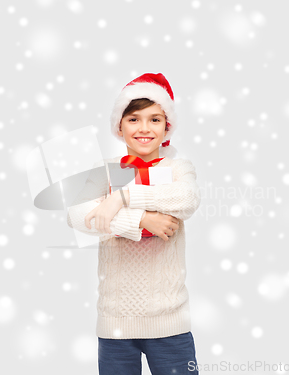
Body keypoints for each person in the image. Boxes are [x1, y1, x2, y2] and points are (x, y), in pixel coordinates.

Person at [67, 73, 201, 374]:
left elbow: (187, 199)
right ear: (119, 125)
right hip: (115, 323)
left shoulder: (178, 168)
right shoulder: (103, 171)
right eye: (134, 119)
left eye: (155, 120)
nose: (144, 129)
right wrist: (141, 219)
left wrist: (120, 198)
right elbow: (78, 216)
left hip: (169, 323)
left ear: (167, 127)